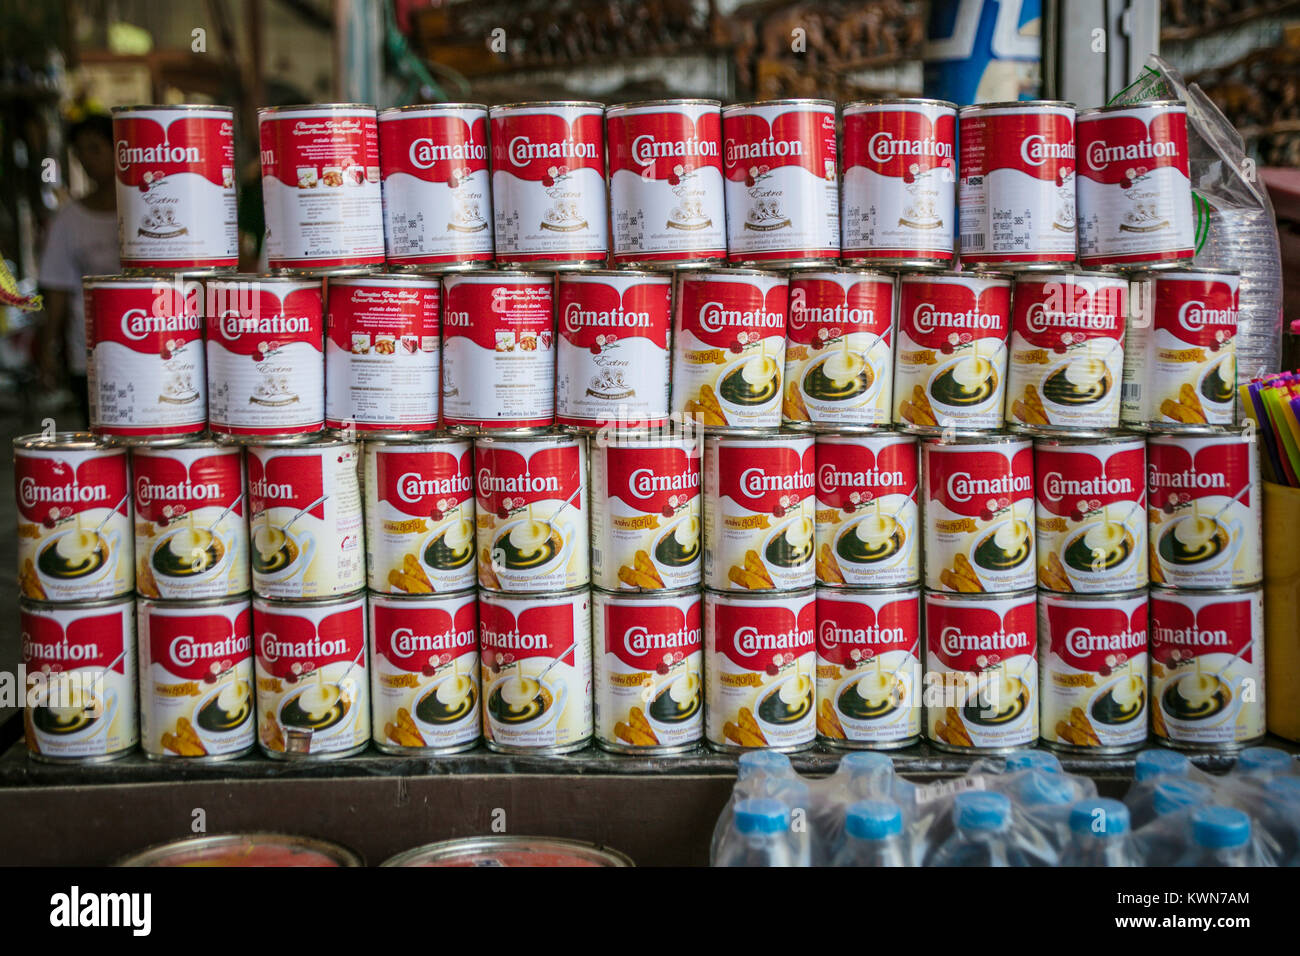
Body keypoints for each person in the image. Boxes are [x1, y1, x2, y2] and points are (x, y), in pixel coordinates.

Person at [37, 111, 119, 423]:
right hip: (87, 352)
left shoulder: (146, 209)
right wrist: (47, 350)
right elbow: (58, 289)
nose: (86, 159)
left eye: (95, 148)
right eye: (80, 152)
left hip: (146, 345)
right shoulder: (68, 220)